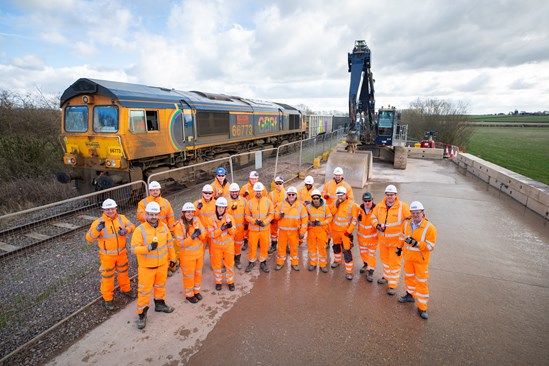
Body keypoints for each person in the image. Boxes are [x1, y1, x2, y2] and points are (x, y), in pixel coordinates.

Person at [131, 202, 176, 330]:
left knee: (160, 287)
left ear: (158, 215)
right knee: (144, 292)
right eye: (150, 214)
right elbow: (134, 249)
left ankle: (160, 305)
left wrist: (172, 258)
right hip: (146, 268)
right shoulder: (140, 230)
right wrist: (148, 248)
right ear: (146, 215)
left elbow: (170, 244)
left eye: (155, 214)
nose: (153, 216)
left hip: (162, 265)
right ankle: (142, 315)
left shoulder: (164, 227)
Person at [86, 198, 136, 310]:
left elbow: (133, 226)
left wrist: (126, 230)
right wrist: (97, 230)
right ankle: (108, 299)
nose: (110, 211)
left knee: (123, 273)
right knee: (107, 277)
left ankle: (126, 289)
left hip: (122, 253)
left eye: (112, 208)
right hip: (107, 256)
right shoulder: (98, 223)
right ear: (103, 210)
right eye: (107, 209)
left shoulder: (122, 218)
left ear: (115, 208)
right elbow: (89, 238)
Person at [397, 201, 437, 320]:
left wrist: (417, 244)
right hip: (408, 258)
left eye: (417, 213)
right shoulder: (407, 224)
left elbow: (431, 246)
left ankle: (422, 307)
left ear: (423, 213)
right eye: (413, 213)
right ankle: (410, 295)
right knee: (409, 278)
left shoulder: (430, 228)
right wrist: (399, 248)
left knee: (421, 283)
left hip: (421, 261)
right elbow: (402, 236)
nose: (415, 215)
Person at [373, 184, 411, 295]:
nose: (390, 197)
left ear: (396, 195)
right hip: (384, 241)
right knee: (385, 261)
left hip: (396, 243)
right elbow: (373, 217)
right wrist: (377, 225)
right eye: (388, 194)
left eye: (392, 195)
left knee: (394, 264)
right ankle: (386, 277)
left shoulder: (402, 207)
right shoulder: (380, 206)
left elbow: (411, 218)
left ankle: (392, 285)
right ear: (385, 195)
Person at [137, 181, 177, 276]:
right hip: (149, 231)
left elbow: (170, 217)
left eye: (157, 190)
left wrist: (171, 230)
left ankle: (165, 268)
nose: (155, 192)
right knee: (153, 251)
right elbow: (139, 215)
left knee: (164, 250)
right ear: (149, 191)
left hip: (163, 230)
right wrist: (151, 217)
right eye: (153, 190)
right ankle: (153, 270)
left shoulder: (165, 202)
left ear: (159, 190)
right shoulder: (143, 203)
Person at [173, 202, 207, 304]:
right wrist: (192, 237)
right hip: (187, 257)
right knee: (189, 276)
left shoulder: (196, 220)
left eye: (192, 212)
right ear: (183, 213)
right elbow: (180, 244)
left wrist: (199, 234)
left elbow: (204, 234)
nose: (190, 214)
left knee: (198, 274)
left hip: (198, 255)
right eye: (188, 212)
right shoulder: (179, 226)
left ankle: (196, 291)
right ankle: (189, 294)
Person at [274, 187, 308, 271]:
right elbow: (275, 216)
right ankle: (280, 262)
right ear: (287, 195)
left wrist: (302, 232)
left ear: (296, 195)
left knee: (294, 248)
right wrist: (279, 216)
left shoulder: (300, 206)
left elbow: (305, 219)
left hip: (294, 232)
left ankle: (294, 263)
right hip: (283, 231)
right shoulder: (281, 205)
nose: (291, 196)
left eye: (293, 194)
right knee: (281, 248)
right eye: (289, 194)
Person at [244, 182, 274, 273]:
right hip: (253, 230)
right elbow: (247, 215)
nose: (258, 192)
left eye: (259, 191)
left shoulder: (268, 201)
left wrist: (265, 222)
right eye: (256, 191)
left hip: (264, 230)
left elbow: (271, 214)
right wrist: (254, 221)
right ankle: (251, 262)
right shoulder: (250, 203)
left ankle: (263, 262)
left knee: (264, 246)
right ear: (254, 191)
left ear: (262, 191)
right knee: (252, 246)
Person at [329, 186, 358, 280]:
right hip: (335, 231)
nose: (340, 197)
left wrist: (349, 231)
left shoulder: (352, 205)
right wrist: (336, 206)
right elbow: (331, 214)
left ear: (346, 195)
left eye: (341, 196)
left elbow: (354, 220)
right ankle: (337, 261)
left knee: (347, 251)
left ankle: (349, 272)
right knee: (336, 246)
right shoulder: (335, 202)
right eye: (338, 196)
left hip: (345, 233)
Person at [208, 197, 237, 291]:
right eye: (219, 207)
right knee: (217, 266)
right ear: (216, 207)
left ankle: (230, 282)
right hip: (216, 246)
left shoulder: (230, 218)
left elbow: (233, 232)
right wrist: (221, 229)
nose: (221, 209)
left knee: (229, 264)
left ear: (225, 208)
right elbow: (211, 235)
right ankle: (218, 282)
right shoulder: (211, 219)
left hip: (228, 246)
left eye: (223, 207)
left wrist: (229, 227)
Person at [306, 189, 332, 272]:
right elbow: (305, 218)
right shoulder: (308, 207)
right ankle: (313, 263)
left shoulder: (325, 207)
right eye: (314, 198)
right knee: (312, 248)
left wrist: (322, 223)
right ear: (312, 198)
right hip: (312, 231)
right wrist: (309, 222)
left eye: (317, 198)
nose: (316, 200)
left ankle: (323, 265)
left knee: (322, 249)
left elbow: (329, 218)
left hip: (322, 230)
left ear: (320, 198)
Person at [356, 192, 379, 282]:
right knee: (363, 253)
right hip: (361, 238)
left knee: (371, 255)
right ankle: (366, 264)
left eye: (369, 200)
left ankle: (370, 272)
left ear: (372, 200)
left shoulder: (377, 210)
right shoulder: (359, 210)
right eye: (365, 201)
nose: (367, 202)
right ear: (362, 201)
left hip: (372, 239)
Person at [228, 183, 247, 269]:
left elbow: (247, 213)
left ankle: (237, 260)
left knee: (238, 245)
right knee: (229, 245)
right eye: (233, 192)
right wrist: (230, 210)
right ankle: (229, 261)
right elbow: (222, 214)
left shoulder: (243, 201)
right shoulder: (226, 201)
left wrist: (246, 224)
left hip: (240, 229)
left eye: (236, 191)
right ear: (230, 192)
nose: (234, 193)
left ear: (239, 191)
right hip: (229, 229)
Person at [194, 184, 217, 258]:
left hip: (212, 232)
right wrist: (197, 209)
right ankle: (199, 267)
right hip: (201, 232)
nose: (207, 194)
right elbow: (192, 217)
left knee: (213, 251)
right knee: (200, 251)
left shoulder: (216, 203)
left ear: (212, 194)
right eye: (205, 193)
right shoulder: (196, 203)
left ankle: (215, 267)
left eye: (209, 193)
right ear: (202, 193)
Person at [268, 176, 286, 254]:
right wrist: (271, 217)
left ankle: (286, 246)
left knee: (284, 232)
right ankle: (274, 245)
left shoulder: (286, 194)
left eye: (280, 183)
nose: (278, 185)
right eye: (277, 183)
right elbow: (269, 206)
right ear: (275, 184)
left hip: (283, 217)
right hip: (274, 217)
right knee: (273, 233)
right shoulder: (271, 194)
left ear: (283, 183)